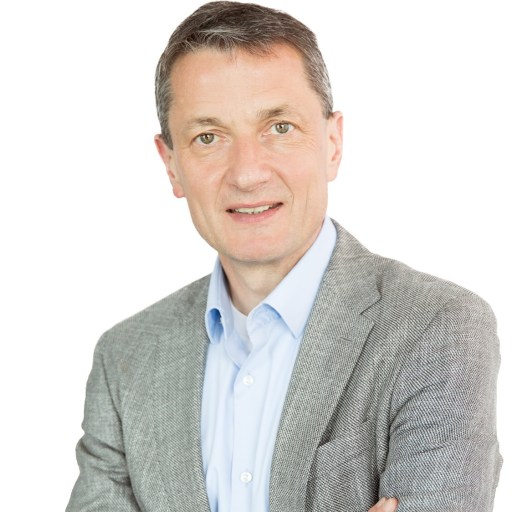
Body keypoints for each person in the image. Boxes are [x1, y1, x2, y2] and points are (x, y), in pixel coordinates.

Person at [66, 2, 502, 511]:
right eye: (208, 137)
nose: (247, 173)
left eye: (279, 127)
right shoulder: (125, 359)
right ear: (171, 166)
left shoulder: (439, 329)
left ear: (333, 143)